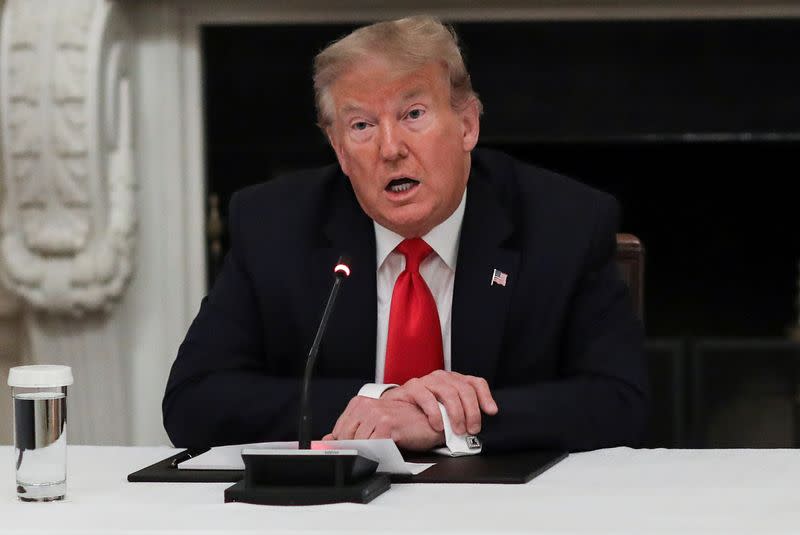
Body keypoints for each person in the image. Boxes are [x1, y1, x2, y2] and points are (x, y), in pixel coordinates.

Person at [163, 16, 647, 454]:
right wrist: (376, 402)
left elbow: (620, 402)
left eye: (413, 114)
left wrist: (443, 420)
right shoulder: (274, 226)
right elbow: (193, 400)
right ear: (339, 149)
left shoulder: (564, 223)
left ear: (467, 125)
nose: (390, 148)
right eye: (362, 125)